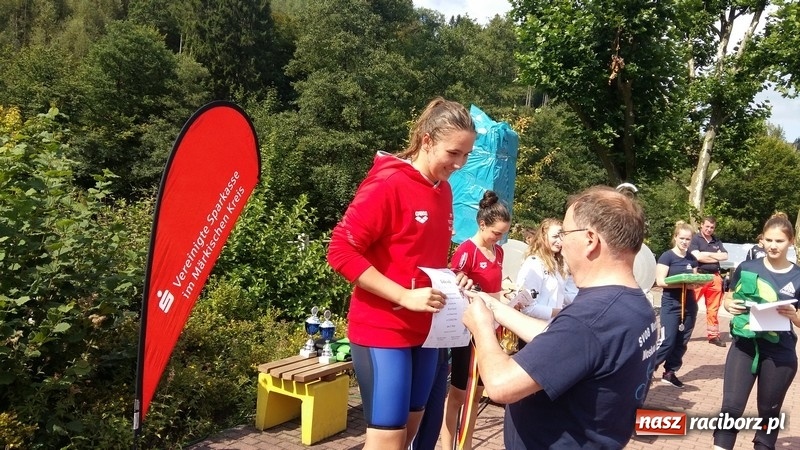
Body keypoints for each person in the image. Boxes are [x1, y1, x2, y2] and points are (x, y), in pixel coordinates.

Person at [326, 97, 476, 450]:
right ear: (427, 141)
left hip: (426, 333)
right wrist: (404, 296)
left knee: (408, 438)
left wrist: (452, 278)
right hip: (383, 330)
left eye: (466, 155)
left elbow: (420, 258)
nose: (459, 164)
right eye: (453, 153)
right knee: (387, 441)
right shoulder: (388, 184)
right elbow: (340, 250)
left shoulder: (444, 190)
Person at [462, 185, 658, 449]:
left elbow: (500, 385)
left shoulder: (590, 319)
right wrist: (495, 308)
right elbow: (557, 339)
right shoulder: (633, 304)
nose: (561, 243)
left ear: (590, 239)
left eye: (565, 233)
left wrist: (482, 328)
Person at [714, 213, 800, 450]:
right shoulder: (746, 267)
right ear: (762, 240)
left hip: (779, 353)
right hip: (744, 347)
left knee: (768, 414)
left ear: (791, 241)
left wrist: (794, 315)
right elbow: (731, 295)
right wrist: (727, 303)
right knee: (730, 407)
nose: (773, 246)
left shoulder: (798, 276)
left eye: (779, 241)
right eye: (768, 240)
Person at [439, 190, 511, 450]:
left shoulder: (498, 252)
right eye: (496, 233)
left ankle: (465, 445)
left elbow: (495, 290)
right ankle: (448, 445)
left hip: (491, 331)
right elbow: (452, 287)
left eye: (503, 234)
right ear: (482, 224)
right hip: (468, 332)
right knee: (459, 394)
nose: (499, 238)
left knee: (478, 393)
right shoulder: (466, 251)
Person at [653, 220, 699, 388]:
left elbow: (693, 282)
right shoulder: (667, 256)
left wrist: (695, 282)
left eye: (688, 239)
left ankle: (670, 372)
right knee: (668, 340)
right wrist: (682, 283)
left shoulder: (692, 259)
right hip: (671, 304)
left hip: (689, 304)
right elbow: (660, 281)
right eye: (682, 238)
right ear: (675, 237)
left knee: (682, 341)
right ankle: (647, 369)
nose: (684, 242)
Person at [514, 218, 569, 321]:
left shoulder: (555, 264)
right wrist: (562, 313)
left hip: (551, 327)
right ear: (543, 237)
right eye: (555, 236)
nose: (559, 241)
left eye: (562, 236)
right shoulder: (534, 263)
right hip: (535, 330)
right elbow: (527, 307)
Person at [688, 216, 729, 347]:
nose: (709, 229)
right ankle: (682, 333)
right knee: (690, 306)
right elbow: (697, 256)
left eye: (712, 227)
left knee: (714, 309)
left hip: (715, 277)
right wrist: (715, 256)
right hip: (699, 276)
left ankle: (713, 336)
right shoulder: (695, 239)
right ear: (701, 225)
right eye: (707, 226)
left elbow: (725, 256)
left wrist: (706, 255)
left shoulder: (717, 240)